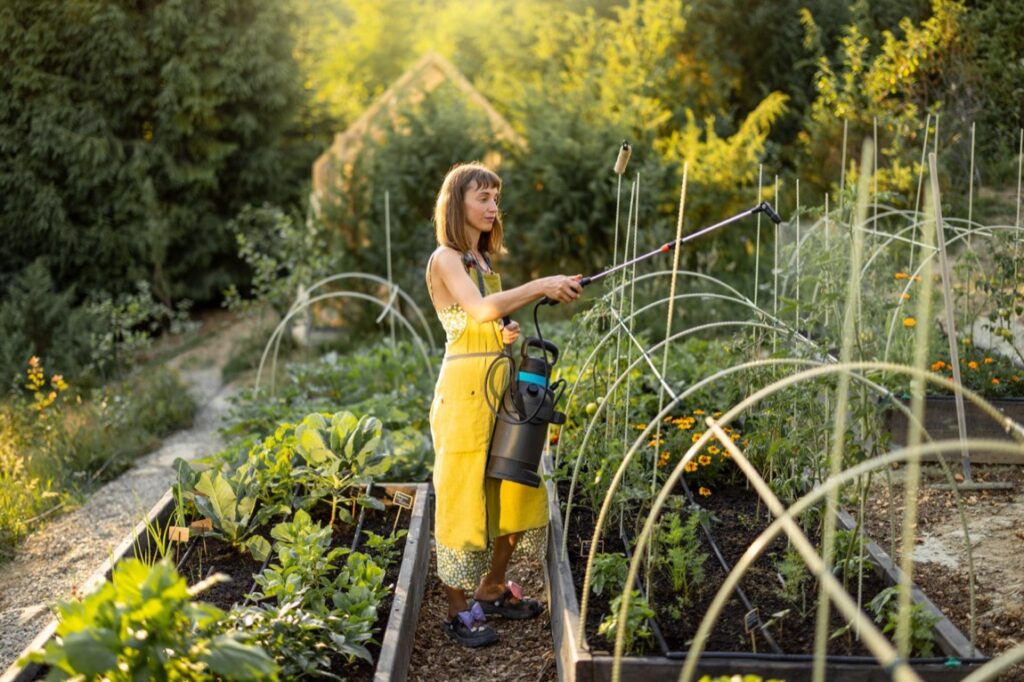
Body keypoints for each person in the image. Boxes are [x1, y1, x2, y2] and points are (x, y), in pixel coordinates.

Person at [424, 162, 582, 647]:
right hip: (464, 392)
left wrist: (505, 333)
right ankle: (456, 609)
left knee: (512, 485)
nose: (493, 206)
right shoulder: (446, 257)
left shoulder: (480, 261)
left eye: (496, 197)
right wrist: (539, 285)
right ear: (458, 204)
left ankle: (491, 587)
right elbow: (477, 311)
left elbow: (487, 320)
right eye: (483, 198)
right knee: (463, 495)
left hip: (498, 384)